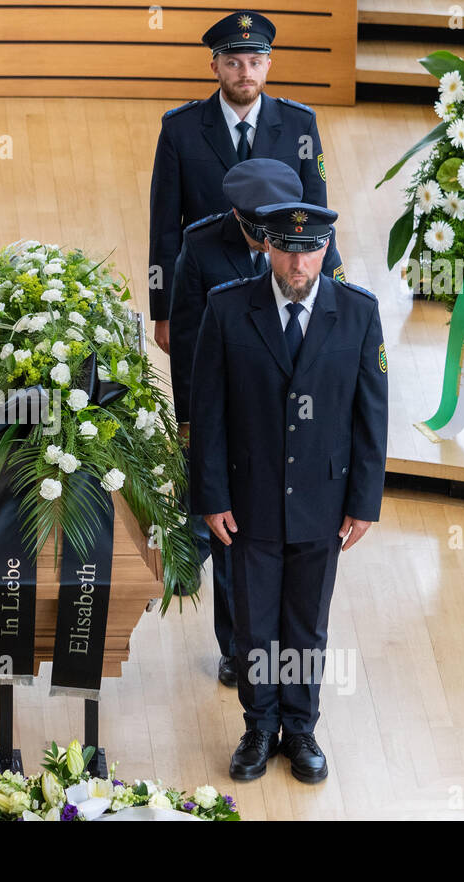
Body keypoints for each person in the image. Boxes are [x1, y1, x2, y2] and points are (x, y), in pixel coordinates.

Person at [189, 202, 387, 785]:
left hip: (322, 505)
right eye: (287, 249)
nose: (298, 262)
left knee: (306, 623)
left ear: (325, 250)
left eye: (310, 250)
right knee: (254, 624)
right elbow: (208, 413)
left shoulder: (358, 314)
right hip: (248, 502)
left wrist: (364, 502)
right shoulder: (226, 309)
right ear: (266, 248)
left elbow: (370, 416)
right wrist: (211, 496)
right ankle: (259, 725)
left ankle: (300, 728)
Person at [171, 158, 345, 688]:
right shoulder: (201, 245)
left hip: (296, 424)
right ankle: (235, 648)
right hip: (234, 414)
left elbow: (333, 332)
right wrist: (190, 422)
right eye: (254, 228)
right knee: (234, 543)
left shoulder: (314, 243)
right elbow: (185, 340)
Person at [148, 10, 328, 356]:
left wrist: (323, 295)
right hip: (204, 283)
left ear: (268, 66)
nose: (246, 73)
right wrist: (164, 311)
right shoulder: (179, 130)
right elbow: (164, 227)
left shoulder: (299, 124)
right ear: (214, 67)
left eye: (255, 62)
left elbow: (315, 215)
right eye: (233, 63)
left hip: (280, 279)